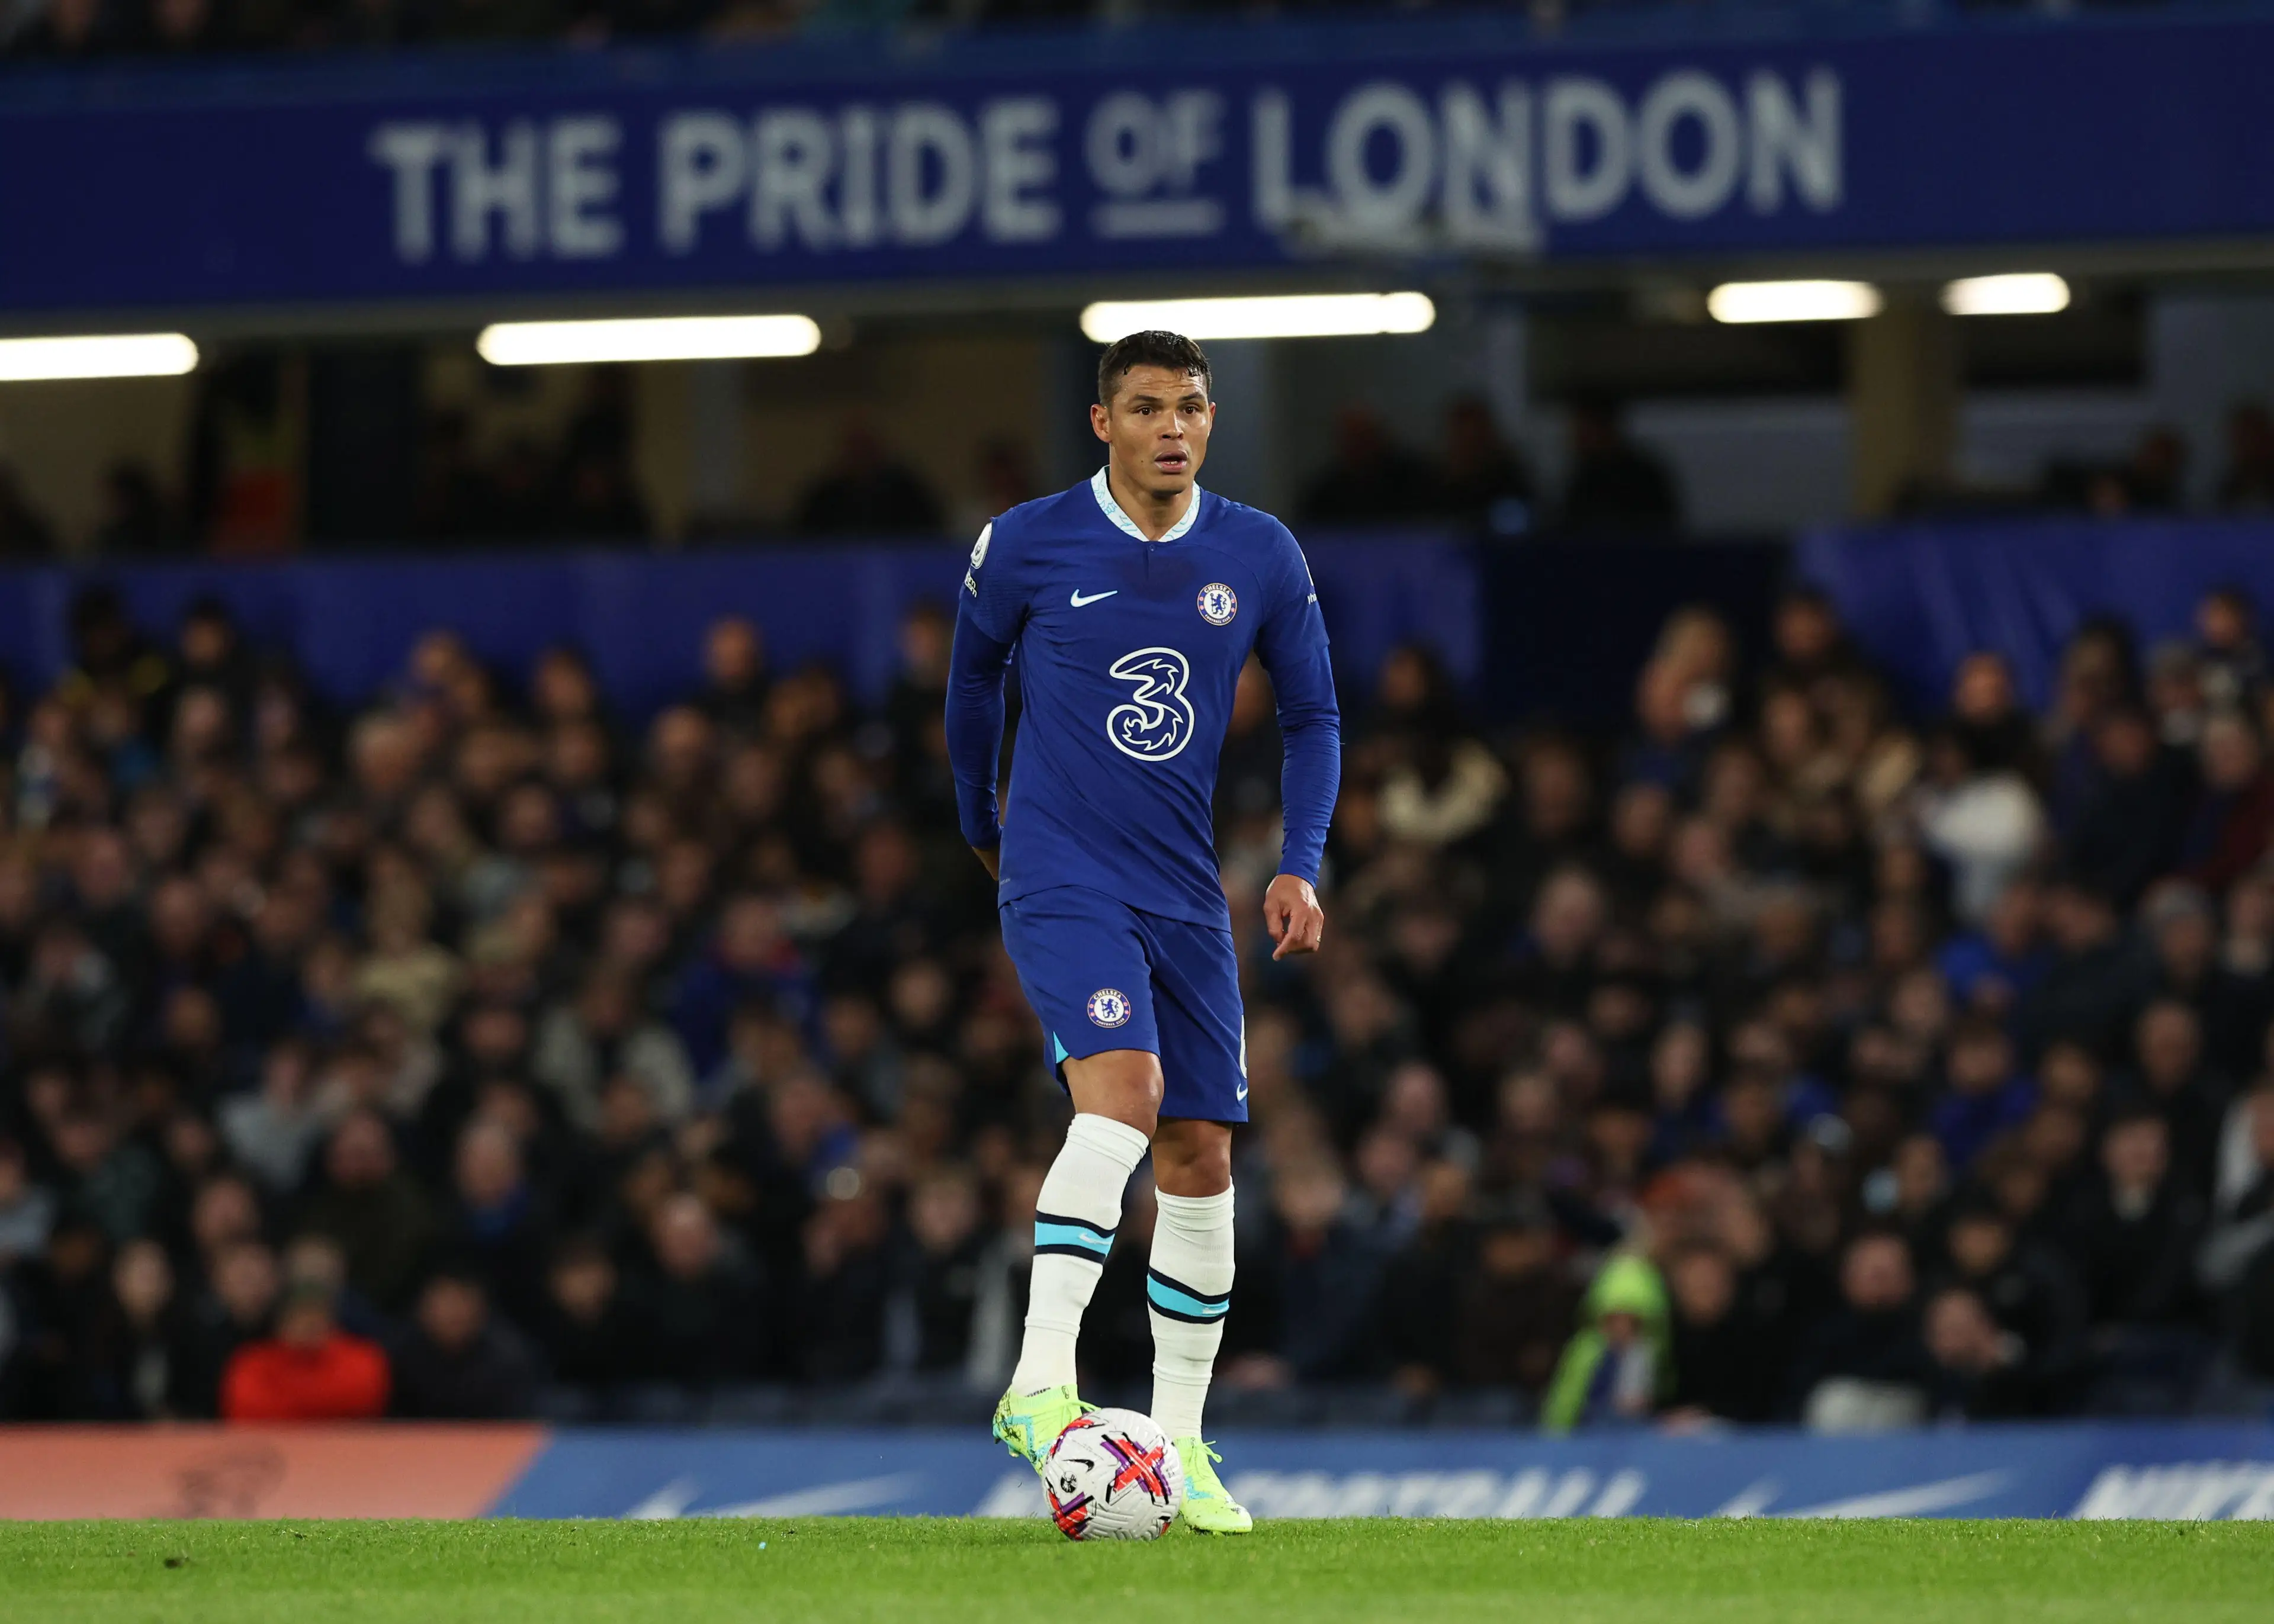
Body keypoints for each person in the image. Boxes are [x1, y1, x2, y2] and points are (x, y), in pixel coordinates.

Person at [945, 330, 1341, 1535]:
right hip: (1061, 866)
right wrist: (981, 823)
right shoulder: (1027, 543)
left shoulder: (1259, 552)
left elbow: (1315, 715)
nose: (1175, 428)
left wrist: (1300, 867)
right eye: (1151, 408)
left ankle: (1179, 1447)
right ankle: (1038, 1383)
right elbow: (971, 686)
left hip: (1181, 889)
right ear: (1103, 421)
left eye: (1194, 408)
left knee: (1202, 1159)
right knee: (1120, 1093)